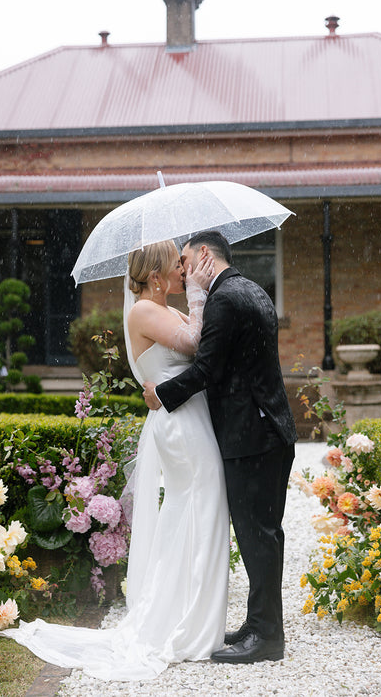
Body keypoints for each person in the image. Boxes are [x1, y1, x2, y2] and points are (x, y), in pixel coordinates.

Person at [0, 240, 230, 681]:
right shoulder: (143, 310)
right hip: (179, 425)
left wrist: (195, 300)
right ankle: (183, 622)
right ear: (156, 276)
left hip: (189, 416)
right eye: (177, 266)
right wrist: (200, 294)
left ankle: (190, 613)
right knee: (197, 505)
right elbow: (196, 342)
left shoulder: (166, 308)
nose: (184, 272)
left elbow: (201, 350)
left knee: (201, 508)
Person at [143, 230, 297, 665]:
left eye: (186, 260)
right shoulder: (250, 289)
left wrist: (161, 394)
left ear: (205, 254)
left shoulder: (224, 300)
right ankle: (259, 623)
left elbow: (207, 369)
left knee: (257, 536)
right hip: (269, 431)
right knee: (262, 534)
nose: (183, 269)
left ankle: (267, 637)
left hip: (252, 437)